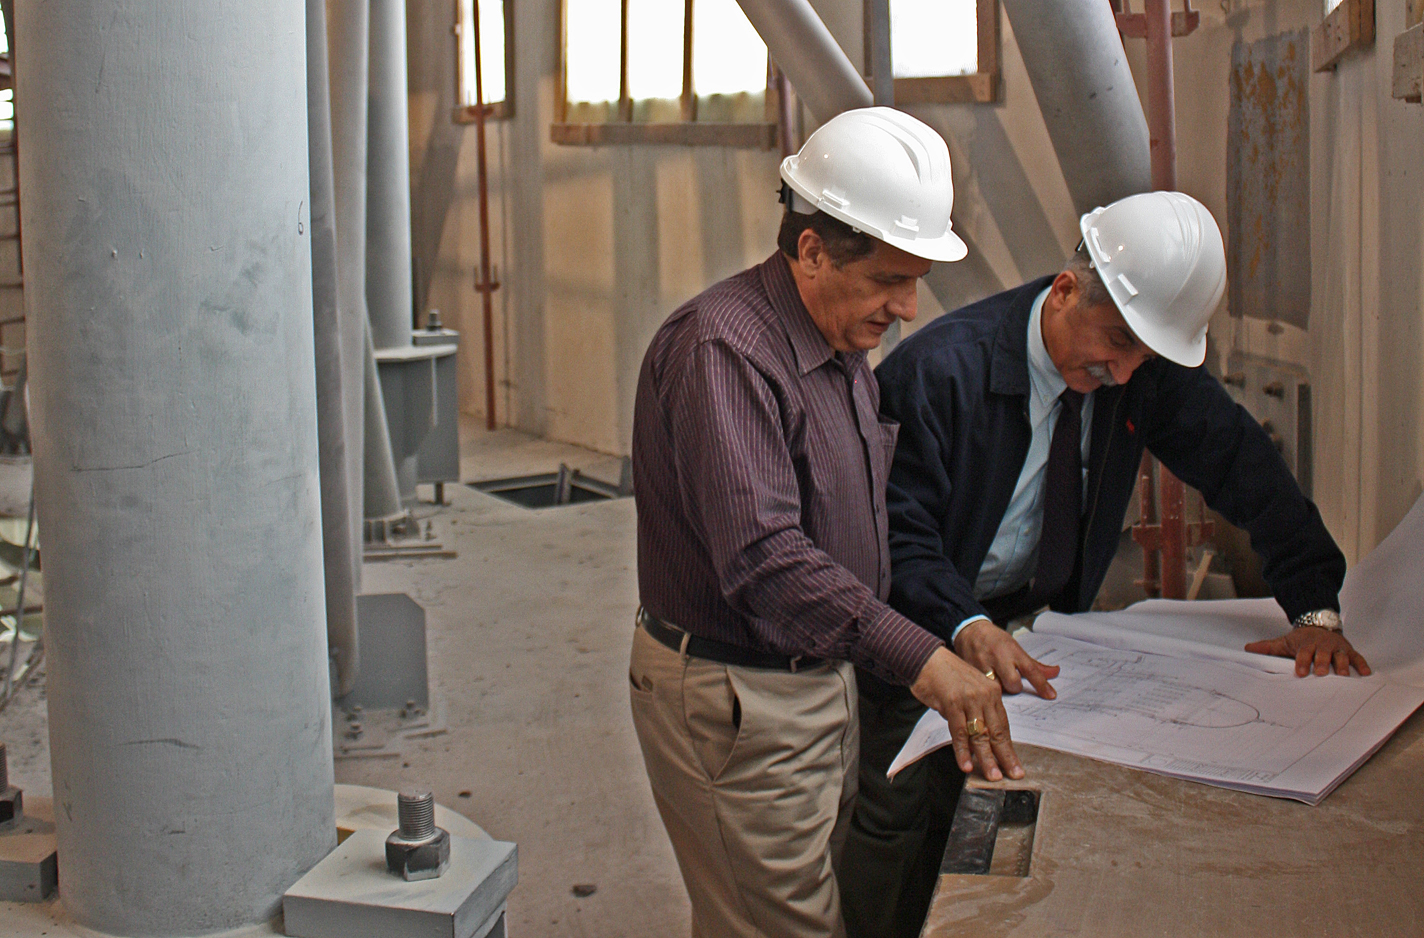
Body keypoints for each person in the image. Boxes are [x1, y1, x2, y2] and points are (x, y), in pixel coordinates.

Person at [836, 190, 1370, 938]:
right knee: (899, 818)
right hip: (923, 631)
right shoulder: (938, 374)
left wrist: (1314, 605)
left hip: (1045, 632)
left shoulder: (1138, 370)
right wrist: (964, 625)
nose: (1122, 372)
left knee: (1009, 827)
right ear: (1063, 291)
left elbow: (1244, 466)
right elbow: (897, 533)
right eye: (1115, 344)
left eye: (1142, 356)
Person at [628, 107, 1012, 938]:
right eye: (887, 281)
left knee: (770, 910)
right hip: (742, 696)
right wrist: (926, 661)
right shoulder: (723, 352)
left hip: (816, 682)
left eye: (915, 281)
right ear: (810, 249)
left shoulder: (840, 346)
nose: (907, 307)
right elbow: (766, 561)